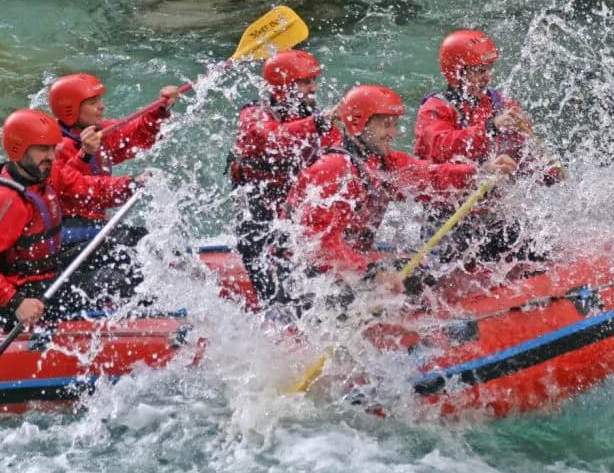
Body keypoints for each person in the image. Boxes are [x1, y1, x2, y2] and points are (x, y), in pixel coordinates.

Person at [286, 84, 516, 303]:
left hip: (349, 261)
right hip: (303, 279)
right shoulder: (335, 167)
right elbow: (315, 242)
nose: (392, 134)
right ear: (358, 124)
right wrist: (371, 273)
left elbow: (431, 176)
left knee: (421, 272)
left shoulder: (382, 162)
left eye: (395, 125)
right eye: (386, 125)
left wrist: (479, 173)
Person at [0, 109, 139, 329]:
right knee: (111, 281)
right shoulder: (1, 200)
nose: (51, 156)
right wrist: (16, 302)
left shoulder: (46, 174)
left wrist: (132, 184)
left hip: (46, 274)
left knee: (121, 251)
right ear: (18, 149)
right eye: (43, 149)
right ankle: (145, 326)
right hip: (19, 298)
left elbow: (89, 188)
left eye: (52, 148)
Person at [414, 29, 563, 266]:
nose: (487, 77)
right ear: (457, 72)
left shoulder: (499, 103)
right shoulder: (436, 108)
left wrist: (544, 171)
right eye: (479, 71)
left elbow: (518, 152)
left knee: (539, 250)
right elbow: (441, 148)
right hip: (449, 217)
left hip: (492, 215)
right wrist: (491, 127)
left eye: (489, 69)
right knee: (451, 266)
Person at [226, 49, 341, 309]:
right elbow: (272, 139)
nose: (313, 88)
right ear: (283, 86)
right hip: (258, 198)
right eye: (305, 82)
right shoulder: (254, 113)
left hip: (293, 197)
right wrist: (317, 123)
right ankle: (271, 306)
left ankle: (307, 298)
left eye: (313, 81)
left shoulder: (311, 115)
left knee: (297, 250)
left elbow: (335, 150)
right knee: (255, 245)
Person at [48, 73, 180, 271]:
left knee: (146, 240)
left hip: (92, 224)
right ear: (71, 110)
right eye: (93, 102)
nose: (101, 106)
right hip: (66, 231)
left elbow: (138, 135)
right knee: (136, 244)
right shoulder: (54, 149)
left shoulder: (97, 132)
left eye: (99, 100)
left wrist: (161, 109)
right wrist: (130, 183)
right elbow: (76, 189)